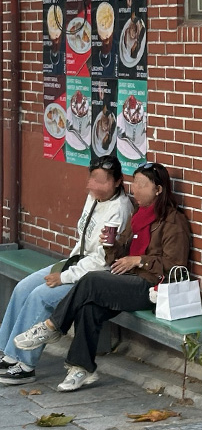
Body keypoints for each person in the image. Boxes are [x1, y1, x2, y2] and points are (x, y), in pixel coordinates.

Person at [14, 162, 191, 392]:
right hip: (127, 279)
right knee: (89, 307)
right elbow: (119, 253)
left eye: (141, 185)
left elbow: (175, 264)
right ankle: (81, 368)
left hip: (150, 287)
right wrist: (110, 244)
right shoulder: (138, 215)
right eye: (134, 183)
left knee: (92, 279)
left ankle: (53, 326)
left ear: (158, 189)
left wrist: (139, 260)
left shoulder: (173, 221)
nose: (135, 190)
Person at [0, 156, 132, 386]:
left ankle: (25, 365)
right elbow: (83, 240)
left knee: (40, 296)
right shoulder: (94, 197)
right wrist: (66, 267)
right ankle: (7, 352)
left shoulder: (119, 210)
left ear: (118, 181)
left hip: (94, 275)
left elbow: (102, 261)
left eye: (102, 182)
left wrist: (63, 277)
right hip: (74, 263)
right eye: (92, 179)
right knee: (23, 288)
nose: (93, 186)